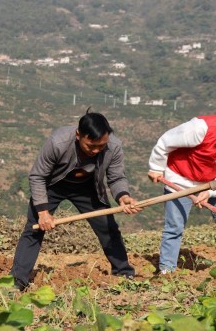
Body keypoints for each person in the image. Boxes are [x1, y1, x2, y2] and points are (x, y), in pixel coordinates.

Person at [11, 109, 141, 290]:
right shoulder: (58, 142)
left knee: (108, 227)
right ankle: (18, 280)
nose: (96, 151)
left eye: (101, 146)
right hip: (52, 185)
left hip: (87, 187)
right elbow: (38, 176)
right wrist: (42, 211)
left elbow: (116, 177)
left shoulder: (114, 147)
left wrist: (123, 196)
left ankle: (123, 272)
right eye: (91, 146)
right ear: (78, 135)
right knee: (33, 230)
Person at [147, 102, 216, 275]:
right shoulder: (202, 128)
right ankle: (166, 270)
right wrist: (156, 167)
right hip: (180, 180)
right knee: (174, 226)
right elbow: (166, 141)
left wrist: (210, 191)